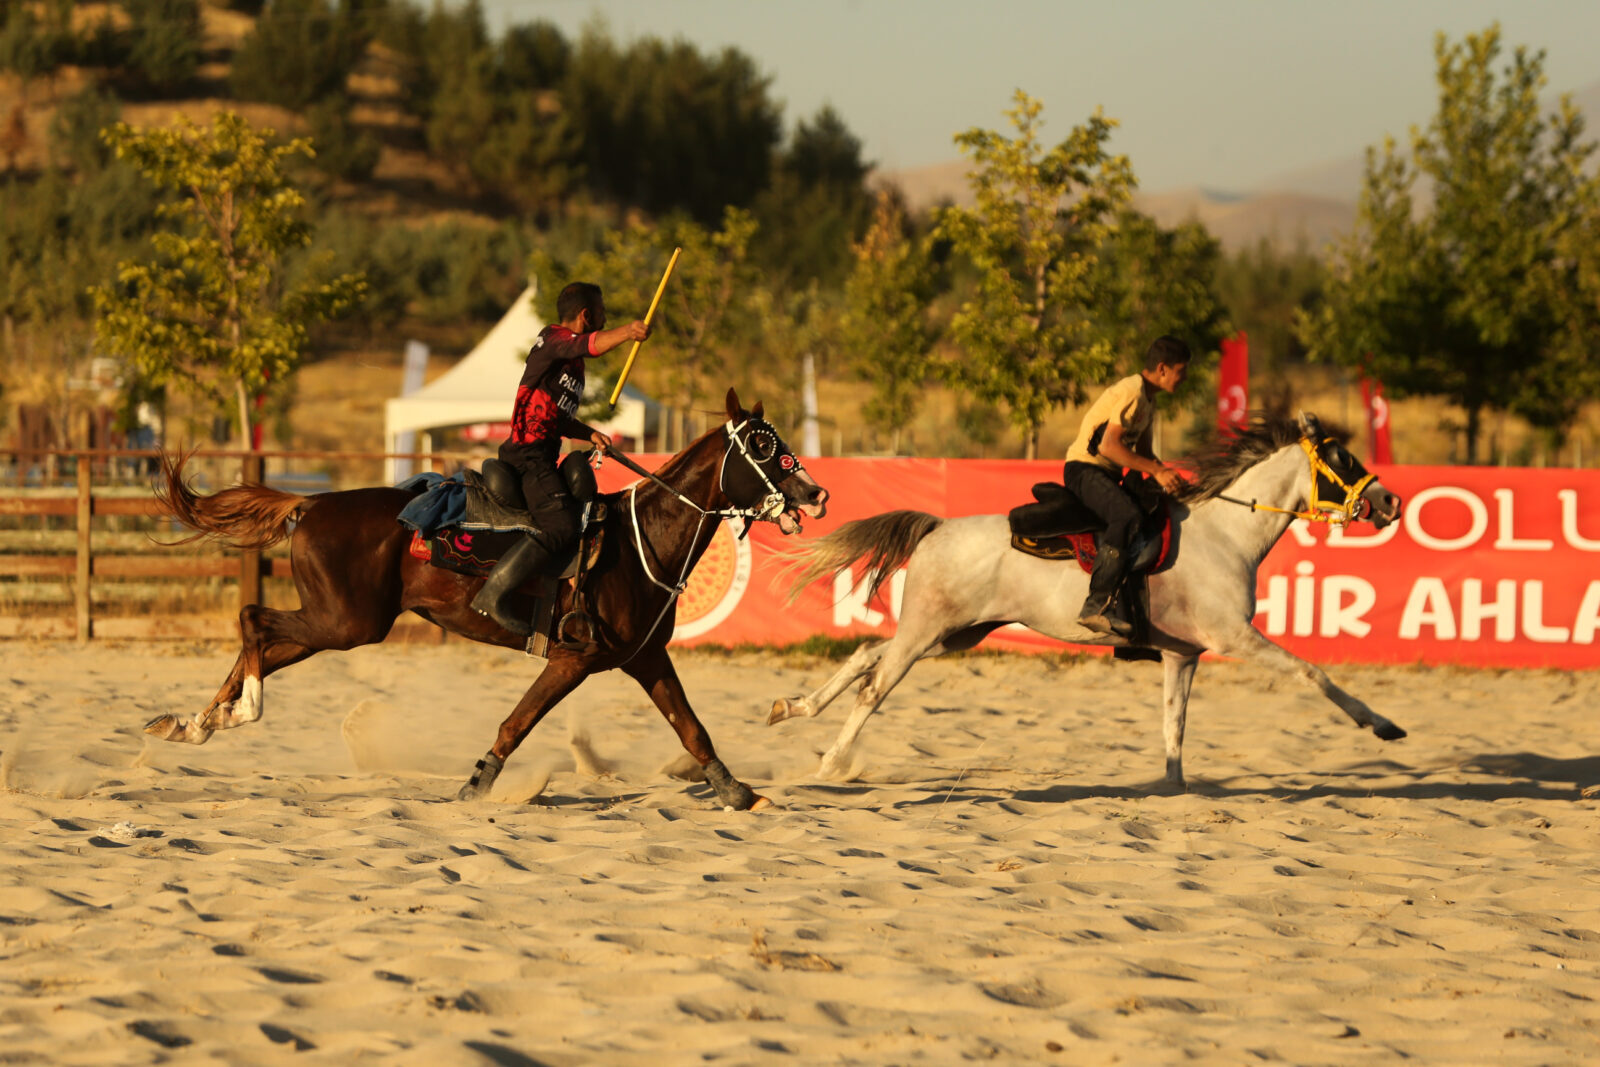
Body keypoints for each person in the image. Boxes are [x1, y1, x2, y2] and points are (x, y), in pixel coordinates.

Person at [471, 281, 650, 636]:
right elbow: (591, 345)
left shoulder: (572, 366)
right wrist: (628, 331)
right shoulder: (553, 339)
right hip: (528, 457)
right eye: (602, 312)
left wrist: (589, 434)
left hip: (543, 456)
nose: (605, 317)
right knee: (561, 526)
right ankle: (493, 595)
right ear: (587, 315)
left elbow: (557, 418)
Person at [1061, 335, 1191, 637]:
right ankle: (1095, 606)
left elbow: (1143, 455)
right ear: (1162, 369)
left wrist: (1167, 475)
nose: (1183, 379)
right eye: (1181, 372)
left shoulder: (1149, 399)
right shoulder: (1133, 392)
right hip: (1085, 470)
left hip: (1106, 474)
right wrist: (1157, 470)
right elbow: (1109, 446)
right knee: (1127, 516)